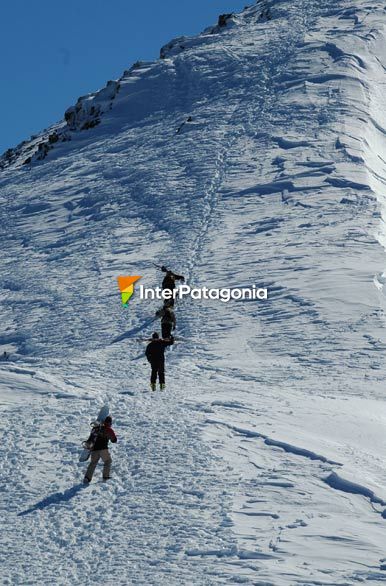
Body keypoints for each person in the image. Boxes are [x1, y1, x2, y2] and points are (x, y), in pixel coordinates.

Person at [84, 416, 117, 483]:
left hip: (94, 449)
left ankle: (87, 478)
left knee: (93, 463)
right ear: (110, 423)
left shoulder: (95, 428)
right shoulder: (108, 429)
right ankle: (105, 476)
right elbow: (114, 440)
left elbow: (91, 438)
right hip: (103, 449)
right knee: (108, 461)